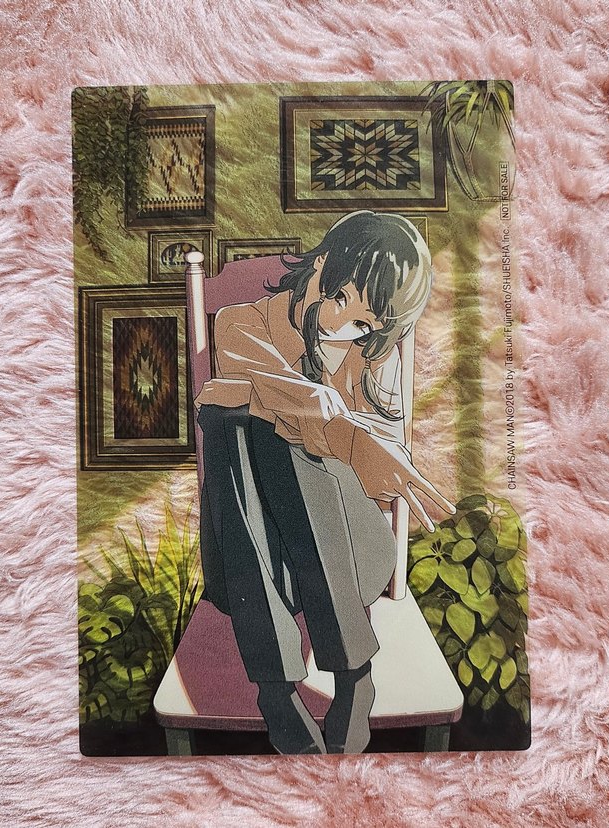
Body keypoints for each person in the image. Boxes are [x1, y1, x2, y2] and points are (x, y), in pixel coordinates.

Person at [193, 210, 455, 754]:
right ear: (319, 264)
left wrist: (345, 438)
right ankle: (277, 689)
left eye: (364, 324)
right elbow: (246, 393)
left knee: (274, 426)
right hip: (256, 564)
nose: (341, 328)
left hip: (350, 556)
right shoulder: (239, 324)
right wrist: (330, 422)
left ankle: (352, 675)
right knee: (232, 418)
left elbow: (381, 470)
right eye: (338, 299)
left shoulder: (371, 358)